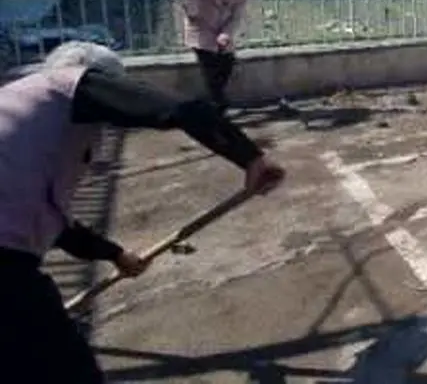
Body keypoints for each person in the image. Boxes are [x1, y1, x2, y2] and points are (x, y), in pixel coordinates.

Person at [0, 41, 285, 384]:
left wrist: (116, 255)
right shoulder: (70, 84)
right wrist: (251, 157)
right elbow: (184, 110)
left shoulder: (25, 115)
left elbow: (54, 223)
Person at [176, 0, 265, 114]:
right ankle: (218, 105)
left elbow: (236, 17)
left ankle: (214, 104)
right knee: (210, 67)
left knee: (227, 63)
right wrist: (191, 8)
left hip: (221, 32)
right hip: (201, 30)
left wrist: (226, 34)